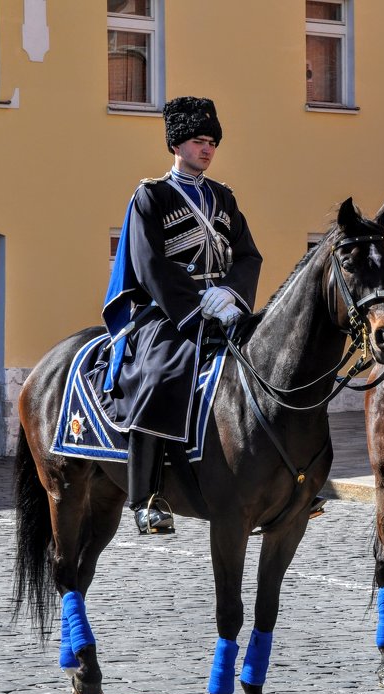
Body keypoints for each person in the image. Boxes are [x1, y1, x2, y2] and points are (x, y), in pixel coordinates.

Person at [101, 96, 263, 534]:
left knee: (274, 361)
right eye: (198, 141)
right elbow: (151, 264)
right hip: (169, 314)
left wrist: (230, 294)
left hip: (226, 309)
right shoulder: (150, 197)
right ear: (177, 144)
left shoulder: (224, 198)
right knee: (159, 375)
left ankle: (283, 484)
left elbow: (248, 255)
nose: (207, 149)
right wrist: (196, 308)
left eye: (212, 142)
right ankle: (146, 497)